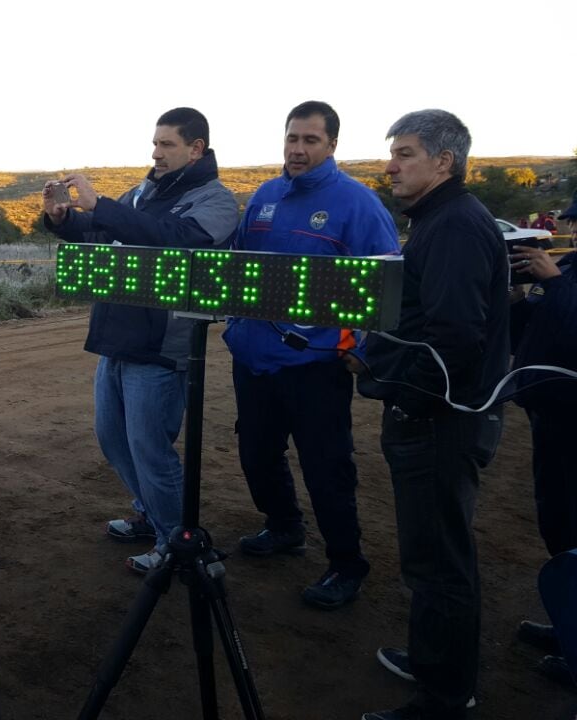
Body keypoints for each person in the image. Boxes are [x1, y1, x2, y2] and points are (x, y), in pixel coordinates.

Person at [356, 109, 510, 720]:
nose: (390, 165)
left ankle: (445, 697)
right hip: (437, 416)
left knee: (441, 561)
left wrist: (406, 397)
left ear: (444, 162)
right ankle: (432, 659)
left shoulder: (453, 226)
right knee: (429, 553)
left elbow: (453, 337)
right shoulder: (445, 219)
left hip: (441, 423)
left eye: (405, 153)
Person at [42, 107, 238, 574]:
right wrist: (62, 219)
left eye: (167, 145)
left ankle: (181, 545)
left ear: (196, 149)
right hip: (118, 336)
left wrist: (103, 205)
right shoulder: (144, 192)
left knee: (151, 450)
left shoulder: (216, 202)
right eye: (155, 143)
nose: (156, 153)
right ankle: (153, 516)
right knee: (113, 439)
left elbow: (175, 240)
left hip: (162, 348)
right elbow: (100, 230)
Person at [222, 100, 400, 610]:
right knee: (256, 454)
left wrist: (359, 347)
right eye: (291, 139)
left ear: (332, 146)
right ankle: (284, 528)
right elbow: (239, 267)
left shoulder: (358, 204)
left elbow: (384, 285)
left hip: (315, 366)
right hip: (254, 360)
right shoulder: (264, 196)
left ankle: (347, 563)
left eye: (310, 141)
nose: (298, 150)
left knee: (326, 468)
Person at [508, 194, 577, 690]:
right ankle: (567, 624)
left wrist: (553, 284)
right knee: (558, 523)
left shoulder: (563, 276)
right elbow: (530, 331)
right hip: (551, 414)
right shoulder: (568, 269)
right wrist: (518, 298)